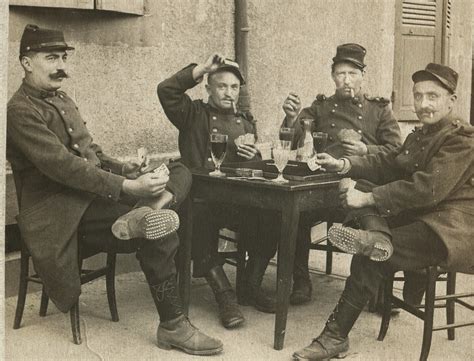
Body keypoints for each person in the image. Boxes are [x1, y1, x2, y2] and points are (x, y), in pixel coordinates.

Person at [7, 24, 222, 356]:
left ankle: (151, 209)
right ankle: (173, 326)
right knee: (158, 231)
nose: (61, 66)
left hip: (90, 199)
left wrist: (125, 168)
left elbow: (91, 152)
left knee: (180, 168)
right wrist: (126, 185)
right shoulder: (20, 110)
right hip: (58, 213)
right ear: (26, 62)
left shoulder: (63, 99)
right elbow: (63, 165)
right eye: (52, 57)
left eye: (63, 56)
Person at [292, 63, 474, 360]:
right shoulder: (422, 134)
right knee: (362, 186)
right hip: (423, 216)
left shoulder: (462, 138)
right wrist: (344, 165)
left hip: (450, 227)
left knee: (372, 255)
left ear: (451, 100)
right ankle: (378, 237)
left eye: (433, 96)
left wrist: (368, 200)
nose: (423, 105)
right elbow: (390, 162)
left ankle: (334, 337)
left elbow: (427, 189)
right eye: (417, 96)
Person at [158, 53, 278, 328]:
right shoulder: (193, 113)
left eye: (234, 87)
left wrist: (254, 153)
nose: (229, 93)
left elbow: (251, 167)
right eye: (222, 86)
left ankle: (250, 285)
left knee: (273, 216)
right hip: (198, 199)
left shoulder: (246, 120)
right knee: (200, 221)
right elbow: (166, 90)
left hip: (235, 200)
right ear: (208, 88)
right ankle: (225, 296)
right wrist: (201, 68)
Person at [281, 43, 402, 305]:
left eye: (352, 74)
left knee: (370, 222)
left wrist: (365, 148)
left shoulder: (379, 109)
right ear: (333, 76)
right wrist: (291, 118)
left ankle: (376, 290)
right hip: (323, 183)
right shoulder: (321, 107)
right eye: (340, 74)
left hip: (362, 184)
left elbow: (396, 152)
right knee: (296, 214)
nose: (346, 81)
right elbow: (294, 141)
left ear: (362, 75)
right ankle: (301, 281)